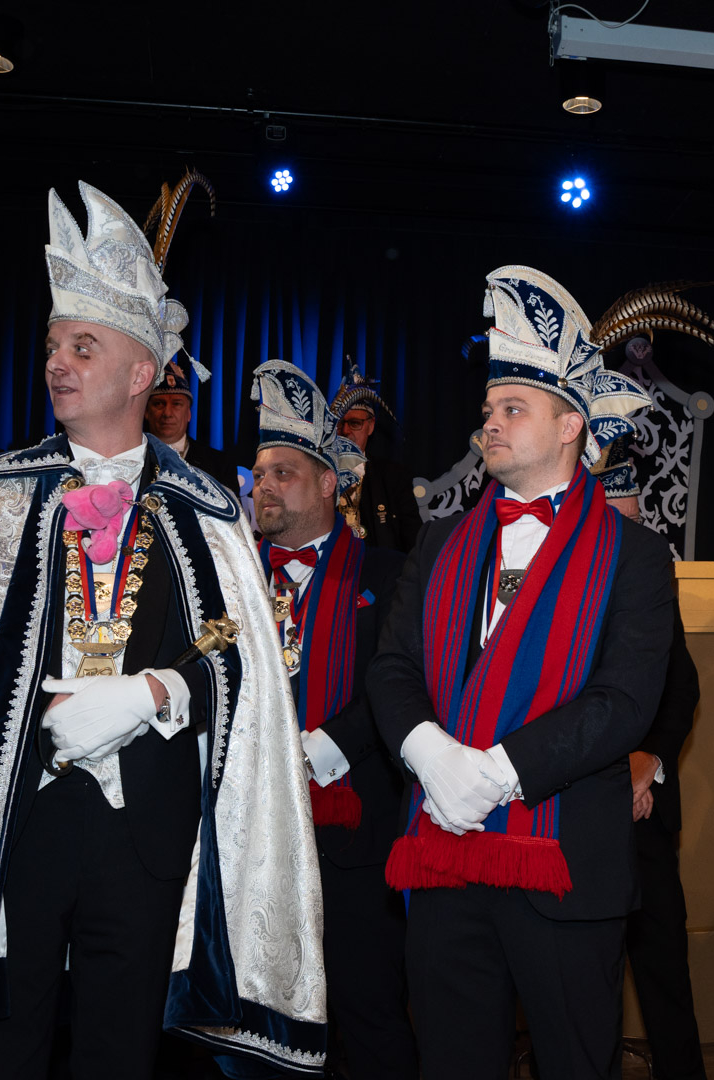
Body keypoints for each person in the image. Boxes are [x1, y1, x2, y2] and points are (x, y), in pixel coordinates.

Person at [0, 181, 327, 1078]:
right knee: (3, 1051)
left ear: (141, 374)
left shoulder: (208, 506)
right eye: (54, 345)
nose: (57, 363)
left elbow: (242, 658)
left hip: (148, 833)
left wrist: (155, 691)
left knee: (118, 1054)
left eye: (82, 347)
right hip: (15, 822)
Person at [367, 264, 671, 1079]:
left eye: (511, 409)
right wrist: (432, 756)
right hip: (441, 853)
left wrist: (497, 773)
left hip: (565, 864)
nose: (489, 425)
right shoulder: (439, 540)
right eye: (486, 411)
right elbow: (391, 668)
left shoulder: (636, 556)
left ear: (570, 424)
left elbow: (624, 701)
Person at [250, 358, 417, 1078]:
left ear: (328, 483)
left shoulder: (388, 574)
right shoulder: (232, 579)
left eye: (283, 473)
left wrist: (316, 749)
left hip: (355, 836)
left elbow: (399, 686)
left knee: (368, 1012)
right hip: (251, 831)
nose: (264, 486)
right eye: (259, 474)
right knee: (259, 1020)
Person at [600, 442, 707, 1080]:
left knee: (664, 967)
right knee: (584, 979)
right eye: (622, 518)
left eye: (638, 517)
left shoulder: (652, 574)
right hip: (575, 810)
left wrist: (650, 760)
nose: (635, 531)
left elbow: (680, 685)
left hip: (646, 816)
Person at [330, 357, 422, 551]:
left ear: (370, 426)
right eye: (339, 424)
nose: (345, 431)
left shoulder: (394, 479)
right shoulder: (317, 475)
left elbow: (413, 546)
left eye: (355, 423)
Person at [144, 356, 241, 495]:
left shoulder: (220, 464)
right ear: (146, 412)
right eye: (159, 404)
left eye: (177, 404)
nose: (167, 413)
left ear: (189, 414)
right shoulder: (131, 458)